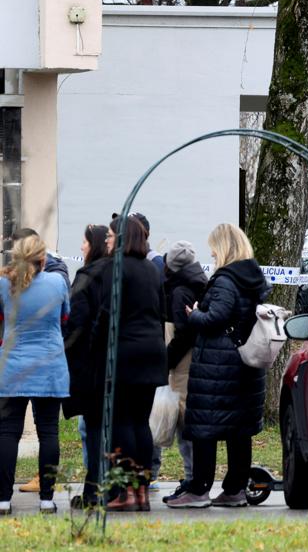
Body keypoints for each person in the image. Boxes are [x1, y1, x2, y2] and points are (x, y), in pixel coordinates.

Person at [168, 224, 270, 509]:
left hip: (218, 367)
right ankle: (235, 489)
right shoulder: (252, 277)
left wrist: (195, 314)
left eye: (214, 246)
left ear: (224, 247)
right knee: (239, 431)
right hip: (244, 366)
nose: (211, 252)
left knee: (204, 427)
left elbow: (217, 317)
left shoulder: (226, 279)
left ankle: (199, 488)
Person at [89, 216, 168, 511]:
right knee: (141, 423)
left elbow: (108, 312)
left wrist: (93, 343)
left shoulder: (115, 268)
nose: (107, 240)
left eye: (110, 235)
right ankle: (142, 491)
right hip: (152, 351)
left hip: (125, 352)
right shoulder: (151, 268)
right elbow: (160, 311)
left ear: (121, 238)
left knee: (122, 422)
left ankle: (124, 492)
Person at [0, 234, 71, 516]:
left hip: (13, 366)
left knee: (7, 433)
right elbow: (66, 317)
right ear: (44, 259)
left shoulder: (5, 285)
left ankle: (3, 500)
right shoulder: (57, 283)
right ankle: (46, 500)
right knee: (49, 432)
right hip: (50, 366)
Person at [61, 224, 110, 508]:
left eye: (83, 242)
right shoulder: (117, 274)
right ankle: (110, 487)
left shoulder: (87, 277)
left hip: (90, 366)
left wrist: (65, 352)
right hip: (114, 363)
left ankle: (93, 490)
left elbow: (76, 324)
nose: (80, 246)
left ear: (94, 245)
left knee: (92, 430)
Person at [161, 241, 207, 500]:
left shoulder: (179, 291)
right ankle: (192, 477)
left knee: (184, 423)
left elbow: (183, 333)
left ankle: (192, 480)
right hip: (193, 362)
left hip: (181, 366)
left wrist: (165, 360)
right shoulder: (199, 281)